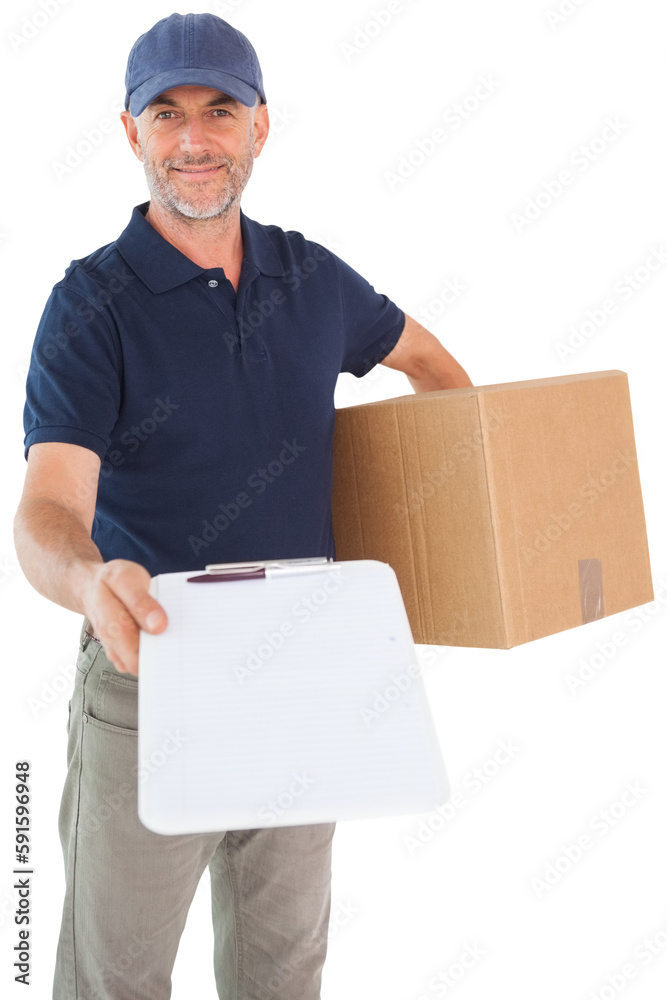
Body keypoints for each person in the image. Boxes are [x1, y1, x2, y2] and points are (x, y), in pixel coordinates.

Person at [14, 12, 472, 1000]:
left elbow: (434, 368)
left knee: (285, 972)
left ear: (261, 126)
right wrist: (92, 581)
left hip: (307, 671)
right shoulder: (90, 307)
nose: (193, 138)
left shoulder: (310, 277)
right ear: (130, 132)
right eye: (165, 112)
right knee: (116, 978)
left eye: (219, 109)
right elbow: (46, 510)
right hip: (152, 671)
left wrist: (452, 535)